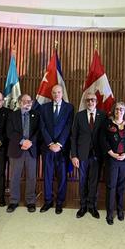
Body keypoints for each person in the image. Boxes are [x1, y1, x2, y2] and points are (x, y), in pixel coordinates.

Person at [100, 101, 125, 225]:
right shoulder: (107, 124)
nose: (119, 111)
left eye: (121, 109)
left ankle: (120, 211)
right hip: (112, 160)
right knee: (111, 186)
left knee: (121, 186)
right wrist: (112, 154)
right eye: (116, 109)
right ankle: (110, 213)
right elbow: (103, 140)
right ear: (113, 110)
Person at [70, 92, 106, 219]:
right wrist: (74, 155)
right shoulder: (79, 116)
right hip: (82, 155)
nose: (90, 102)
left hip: (97, 155)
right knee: (83, 181)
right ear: (85, 102)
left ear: (96, 101)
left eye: (93, 100)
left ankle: (92, 206)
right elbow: (74, 137)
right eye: (88, 100)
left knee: (94, 182)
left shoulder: (103, 115)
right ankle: (83, 206)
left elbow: (105, 136)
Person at [39, 85, 74, 214]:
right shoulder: (44, 107)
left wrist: (59, 144)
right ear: (51, 94)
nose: (56, 95)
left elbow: (68, 126)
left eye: (58, 92)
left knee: (62, 176)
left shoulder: (69, 107)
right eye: (54, 92)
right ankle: (48, 201)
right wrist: (50, 143)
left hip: (62, 148)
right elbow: (42, 127)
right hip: (47, 148)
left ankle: (60, 202)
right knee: (47, 175)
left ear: (62, 93)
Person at [6, 94, 39, 213]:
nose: (28, 103)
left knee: (31, 176)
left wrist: (30, 142)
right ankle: (13, 201)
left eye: (30, 101)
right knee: (15, 176)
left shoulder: (36, 114)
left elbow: (39, 131)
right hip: (16, 149)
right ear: (20, 102)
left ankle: (30, 201)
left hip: (31, 149)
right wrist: (22, 141)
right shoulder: (12, 115)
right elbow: (9, 132)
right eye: (25, 101)